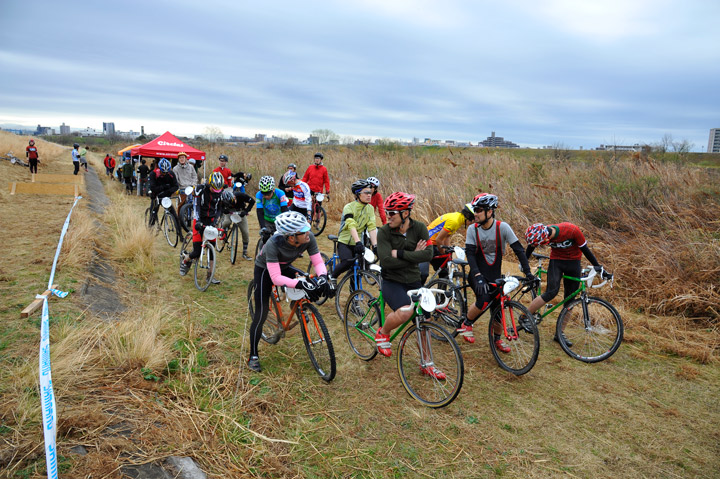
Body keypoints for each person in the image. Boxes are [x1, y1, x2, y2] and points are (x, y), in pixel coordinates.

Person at [247, 211, 332, 372]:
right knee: (261, 313)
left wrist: (322, 277)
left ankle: (298, 307)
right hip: (265, 269)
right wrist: (299, 285)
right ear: (291, 237)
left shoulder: (308, 238)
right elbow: (276, 277)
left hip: (285, 265)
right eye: (304, 231)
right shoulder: (273, 244)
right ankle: (253, 355)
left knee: (308, 282)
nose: (308, 232)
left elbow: (318, 262)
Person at [455, 193, 534, 348]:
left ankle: (497, 339)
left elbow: (518, 250)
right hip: (477, 272)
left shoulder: (502, 228)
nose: (475, 214)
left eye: (478, 210)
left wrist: (528, 272)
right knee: (483, 298)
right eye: (474, 210)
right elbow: (470, 254)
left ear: (489, 212)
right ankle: (466, 324)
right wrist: (477, 275)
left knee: (498, 306)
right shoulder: (473, 229)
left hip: (494, 273)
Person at [524, 222, 610, 345]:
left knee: (570, 300)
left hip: (573, 263)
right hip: (556, 262)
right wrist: (524, 263)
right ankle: (525, 317)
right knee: (551, 293)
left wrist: (598, 267)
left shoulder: (571, 230)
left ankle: (560, 334)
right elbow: (531, 246)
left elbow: (585, 250)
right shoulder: (542, 233)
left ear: (546, 237)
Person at [374, 193, 434, 365]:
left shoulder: (420, 228)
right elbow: (386, 261)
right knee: (406, 311)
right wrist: (414, 255)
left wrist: (400, 254)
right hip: (392, 281)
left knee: (426, 320)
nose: (387, 216)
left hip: (414, 281)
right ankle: (383, 332)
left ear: (405, 213)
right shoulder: (384, 232)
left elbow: (428, 254)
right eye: (387, 212)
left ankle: (427, 363)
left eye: (392, 213)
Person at [180, 172, 225, 284]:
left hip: (211, 220)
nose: (216, 192)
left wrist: (215, 221)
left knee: (211, 249)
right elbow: (196, 206)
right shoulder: (200, 189)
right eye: (214, 189)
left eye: (218, 190)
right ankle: (186, 259)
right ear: (209, 184)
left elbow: (220, 209)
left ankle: (210, 276)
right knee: (197, 250)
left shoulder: (220, 193)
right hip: (199, 218)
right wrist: (198, 221)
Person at [331, 179, 378, 285]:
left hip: (358, 242)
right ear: (358, 194)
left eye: (370, 193)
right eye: (366, 193)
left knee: (360, 267)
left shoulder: (370, 208)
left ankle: (354, 296)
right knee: (347, 262)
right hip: (345, 241)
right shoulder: (349, 207)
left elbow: (371, 227)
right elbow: (351, 224)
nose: (369, 195)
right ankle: (332, 276)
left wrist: (375, 245)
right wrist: (357, 241)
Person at [422, 202, 476, 282]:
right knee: (423, 274)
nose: (473, 223)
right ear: (468, 217)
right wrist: (443, 252)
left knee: (444, 271)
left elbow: (447, 236)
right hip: (426, 242)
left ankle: (441, 294)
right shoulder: (454, 221)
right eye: (473, 220)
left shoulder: (458, 218)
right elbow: (439, 240)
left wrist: (447, 249)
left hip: (433, 242)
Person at [220, 187, 255, 260]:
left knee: (245, 232)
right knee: (227, 222)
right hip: (229, 211)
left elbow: (252, 201)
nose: (233, 204)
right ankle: (223, 231)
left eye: (234, 202)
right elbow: (220, 207)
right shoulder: (223, 199)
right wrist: (224, 210)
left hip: (240, 211)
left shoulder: (241, 195)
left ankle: (245, 252)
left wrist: (246, 211)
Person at [147, 158, 179, 224]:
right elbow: (153, 188)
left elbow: (176, 186)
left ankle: (180, 233)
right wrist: (164, 187)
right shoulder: (153, 174)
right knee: (153, 214)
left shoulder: (171, 174)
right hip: (156, 196)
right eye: (163, 172)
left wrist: (168, 191)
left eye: (166, 172)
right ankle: (150, 230)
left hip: (166, 196)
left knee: (174, 215)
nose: (165, 174)